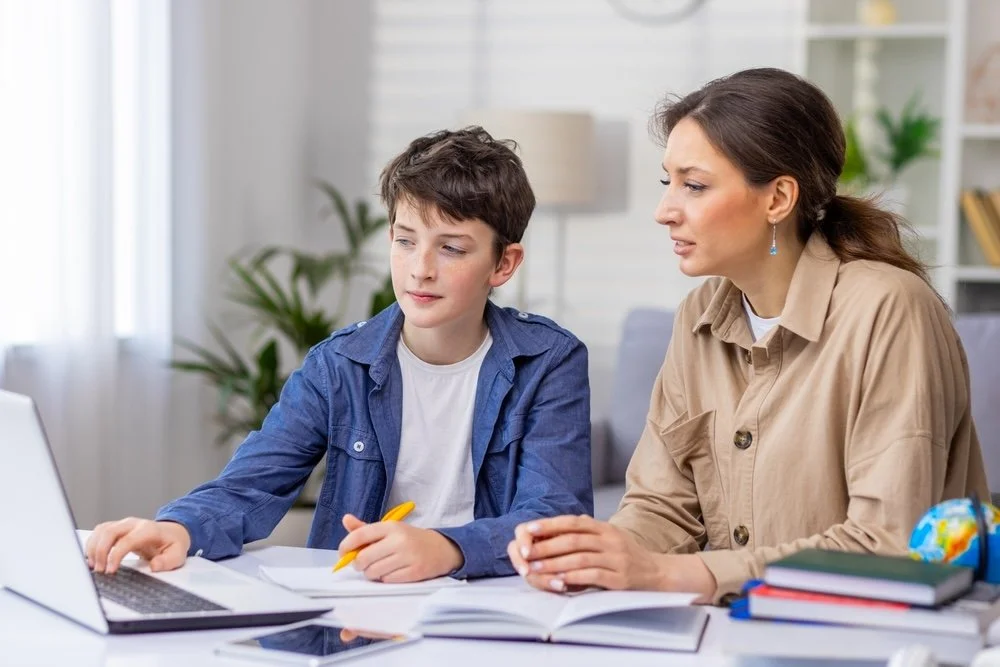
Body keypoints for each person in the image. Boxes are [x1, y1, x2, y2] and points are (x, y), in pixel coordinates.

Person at [508, 67, 989, 604]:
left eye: (694, 185)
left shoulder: (889, 309)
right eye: (669, 183)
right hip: (726, 629)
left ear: (778, 198)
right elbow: (661, 506)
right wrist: (594, 553)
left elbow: (888, 544)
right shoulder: (698, 318)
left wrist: (675, 576)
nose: (665, 211)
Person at [87, 127, 593, 582]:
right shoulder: (339, 364)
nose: (419, 269)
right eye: (404, 241)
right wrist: (176, 528)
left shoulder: (549, 361)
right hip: (359, 609)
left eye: (451, 249)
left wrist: (446, 548)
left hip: (490, 612)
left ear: (503, 263)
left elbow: (551, 518)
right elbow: (249, 485)